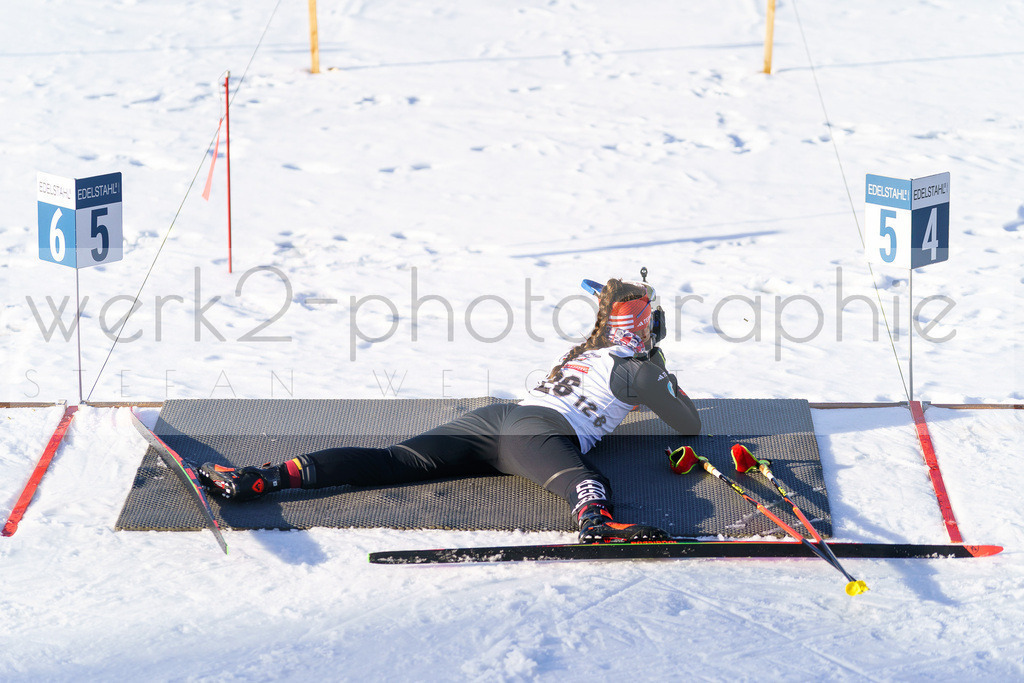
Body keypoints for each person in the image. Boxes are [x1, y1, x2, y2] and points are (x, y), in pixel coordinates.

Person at [199, 276, 702, 543]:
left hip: (497, 419)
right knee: (584, 483)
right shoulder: (640, 369)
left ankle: (262, 478)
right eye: (654, 319)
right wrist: (662, 374)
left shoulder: (589, 352)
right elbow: (688, 422)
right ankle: (598, 524)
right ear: (641, 326)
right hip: (534, 432)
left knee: (391, 461)